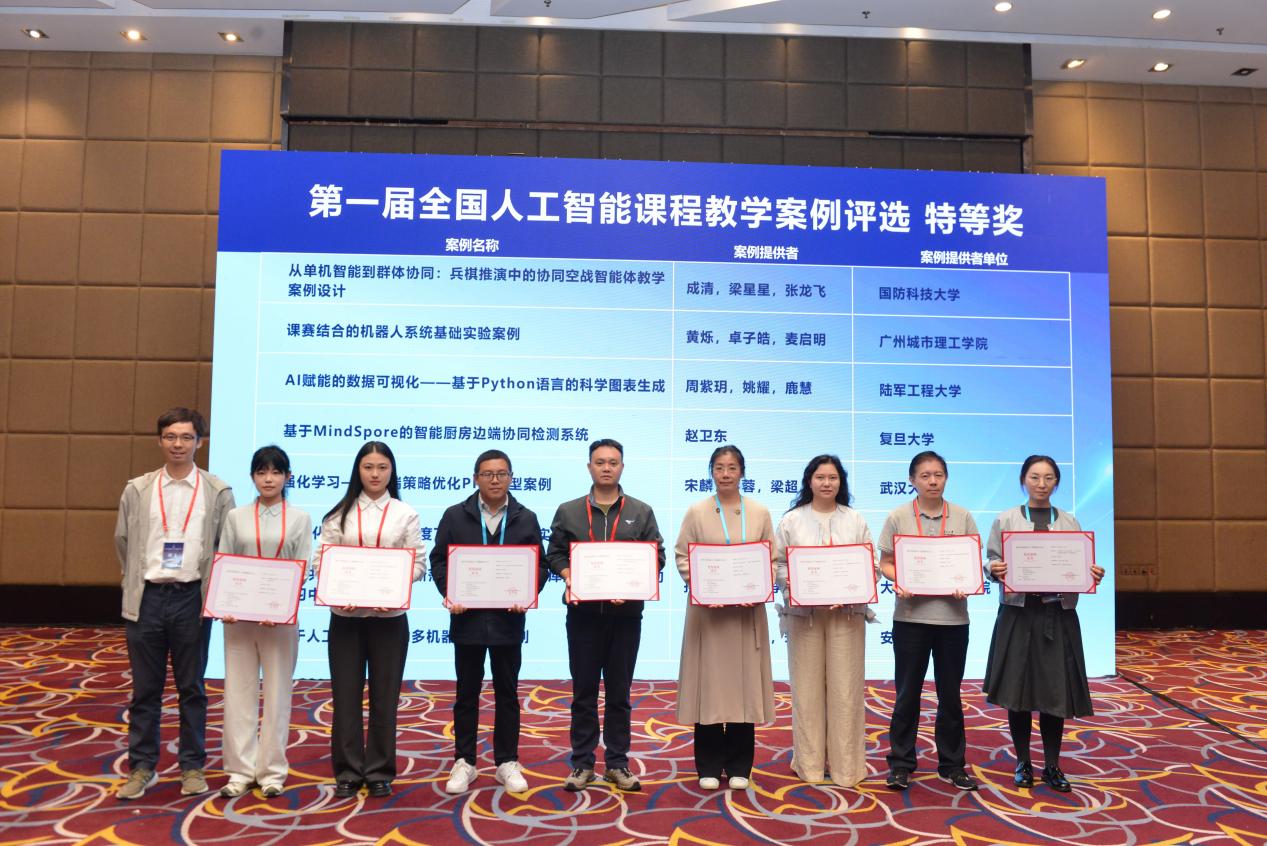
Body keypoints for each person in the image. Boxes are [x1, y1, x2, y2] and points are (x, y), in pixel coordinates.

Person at [114, 407, 235, 800]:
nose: (177, 444)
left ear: (200, 442)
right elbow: (123, 541)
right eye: (170, 436)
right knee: (145, 690)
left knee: (192, 688)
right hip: (147, 598)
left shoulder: (218, 491)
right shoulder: (138, 489)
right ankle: (141, 767)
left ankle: (192, 767)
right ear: (160, 441)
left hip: (191, 598)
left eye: (186, 437)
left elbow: (225, 546)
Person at [546, 439, 665, 793]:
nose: (607, 468)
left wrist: (632, 583)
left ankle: (617, 763)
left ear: (622, 467)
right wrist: (568, 573)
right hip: (582, 615)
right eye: (600, 462)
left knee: (619, 693)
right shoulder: (569, 511)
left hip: (625, 616)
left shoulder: (641, 512)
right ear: (589, 467)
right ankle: (582, 763)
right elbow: (554, 553)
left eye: (613, 462)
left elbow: (656, 557)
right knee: (583, 692)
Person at [983, 455, 1104, 793]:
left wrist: (1091, 573)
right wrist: (993, 569)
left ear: (1056, 482)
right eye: (1034, 477)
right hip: (1018, 614)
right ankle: (1023, 761)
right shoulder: (1005, 519)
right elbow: (992, 560)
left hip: (1057, 615)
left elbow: (1079, 564)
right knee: (1017, 692)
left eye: (1048, 478)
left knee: (1055, 693)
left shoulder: (1069, 521)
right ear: (1023, 480)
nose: (1041, 484)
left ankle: (1052, 764)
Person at [430, 449, 548, 795]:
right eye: (487, 474)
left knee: (507, 694)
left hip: (507, 621)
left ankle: (507, 761)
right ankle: (464, 760)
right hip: (467, 619)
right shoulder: (455, 515)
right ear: (475, 478)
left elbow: (540, 565)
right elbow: (439, 561)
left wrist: (527, 592)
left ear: (511, 477)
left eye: (501, 474)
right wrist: (450, 592)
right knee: (465, 693)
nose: (495, 480)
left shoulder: (526, 518)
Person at [319, 441, 423, 800]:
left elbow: (418, 563)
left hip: (389, 619)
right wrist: (337, 590)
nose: (375, 474)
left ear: (392, 471)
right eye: (368, 467)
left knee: (385, 698)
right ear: (357, 470)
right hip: (345, 618)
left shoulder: (405, 513)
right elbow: (322, 561)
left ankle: (379, 770)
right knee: (345, 697)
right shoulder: (339, 514)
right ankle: (347, 771)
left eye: (382, 467)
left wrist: (394, 589)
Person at [877, 450, 980, 792]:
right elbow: (885, 562)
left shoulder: (963, 516)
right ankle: (901, 764)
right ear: (912, 480)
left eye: (938, 475)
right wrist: (900, 579)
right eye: (925, 475)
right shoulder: (898, 516)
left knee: (950, 695)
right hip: (911, 618)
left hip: (953, 620)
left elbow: (971, 563)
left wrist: (967, 582)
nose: (932, 481)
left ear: (946, 478)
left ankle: (952, 765)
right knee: (907, 694)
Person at [676, 445, 776, 791]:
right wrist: (704, 587)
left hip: (746, 614)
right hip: (708, 615)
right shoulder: (697, 511)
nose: (726, 474)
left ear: (742, 472)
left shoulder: (759, 512)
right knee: (709, 686)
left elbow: (771, 560)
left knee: (742, 689)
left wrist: (758, 587)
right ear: (711, 472)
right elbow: (682, 556)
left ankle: (739, 765)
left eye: (732, 467)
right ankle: (707, 764)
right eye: (719, 467)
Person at [217, 446, 313, 799]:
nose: (268, 479)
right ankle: (239, 771)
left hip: (280, 621)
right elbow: (224, 561)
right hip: (239, 620)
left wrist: (280, 606)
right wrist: (224, 602)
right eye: (261, 472)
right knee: (238, 693)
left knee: (277, 695)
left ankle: (272, 771)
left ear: (288, 477)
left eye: (276, 472)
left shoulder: (300, 518)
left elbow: (304, 566)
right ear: (252, 477)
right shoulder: (236, 517)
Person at [773, 455, 872, 788]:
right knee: (807, 691)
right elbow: (778, 564)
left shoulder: (854, 519)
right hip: (805, 618)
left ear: (841, 482)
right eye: (820, 477)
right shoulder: (792, 520)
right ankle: (809, 765)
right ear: (809, 481)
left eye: (833, 477)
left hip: (847, 614)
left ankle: (847, 767)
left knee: (846, 691)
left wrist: (852, 590)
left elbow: (869, 564)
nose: (826, 483)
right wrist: (795, 587)